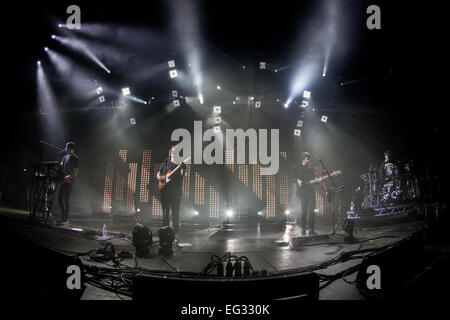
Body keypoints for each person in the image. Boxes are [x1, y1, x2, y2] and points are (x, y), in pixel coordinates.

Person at [157, 146, 185, 234]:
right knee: (165, 213)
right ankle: (165, 231)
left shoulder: (181, 164)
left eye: (176, 151)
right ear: (171, 152)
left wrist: (183, 169)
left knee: (175, 213)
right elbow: (158, 173)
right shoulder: (165, 163)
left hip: (175, 192)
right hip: (165, 192)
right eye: (173, 151)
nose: (174, 152)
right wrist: (161, 178)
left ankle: (175, 232)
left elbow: (182, 174)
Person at [295, 152, 318, 236]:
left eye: (309, 159)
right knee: (303, 212)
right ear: (303, 159)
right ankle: (303, 230)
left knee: (312, 211)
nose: (309, 161)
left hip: (311, 192)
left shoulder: (311, 169)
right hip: (302, 192)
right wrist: (297, 180)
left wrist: (318, 181)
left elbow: (313, 180)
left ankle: (311, 229)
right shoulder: (298, 167)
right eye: (307, 159)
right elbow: (293, 176)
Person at [58, 142, 79, 225]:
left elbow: (75, 173)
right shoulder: (65, 157)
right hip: (63, 180)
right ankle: (63, 217)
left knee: (66, 199)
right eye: (66, 148)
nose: (66, 150)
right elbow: (61, 166)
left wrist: (69, 177)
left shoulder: (76, 159)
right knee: (59, 199)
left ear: (72, 150)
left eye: (67, 148)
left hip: (69, 181)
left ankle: (65, 219)